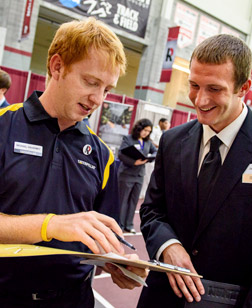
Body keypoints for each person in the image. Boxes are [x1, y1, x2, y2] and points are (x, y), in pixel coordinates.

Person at [0, 17, 147, 308]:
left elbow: (102, 241)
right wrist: (50, 225)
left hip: (74, 300)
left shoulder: (102, 155)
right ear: (57, 67)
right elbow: (61, 227)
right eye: (90, 82)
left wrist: (117, 263)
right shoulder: (4, 126)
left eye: (107, 89)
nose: (97, 99)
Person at [138, 34, 252, 308]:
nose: (200, 99)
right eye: (194, 85)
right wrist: (167, 245)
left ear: (244, 87)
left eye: (215, 89)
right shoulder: (173, 141)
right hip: (163, 298)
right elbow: (152, 210)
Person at [118, 118, 157, 234]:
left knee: (134, 201)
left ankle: (129, 225)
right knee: (123, 200)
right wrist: (133, 162)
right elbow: (121, 154)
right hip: (127, 174)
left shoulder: (148, 142)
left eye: (149, 131)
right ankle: (119, 224)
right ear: (139, 128)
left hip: (139, 175)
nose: (146, 133)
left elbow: (155, 152)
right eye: (145, 130)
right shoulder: (128, 139)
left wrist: (149, 158)